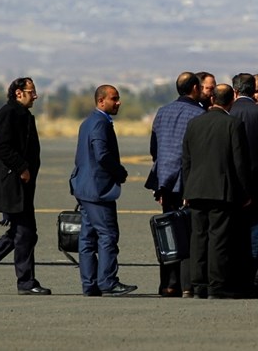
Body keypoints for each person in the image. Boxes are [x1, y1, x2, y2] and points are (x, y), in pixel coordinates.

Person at [182, 84, 252, 299]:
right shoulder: (233, 124)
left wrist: (186, 189)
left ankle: (197, 284)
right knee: (218, 239)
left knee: (198, 238)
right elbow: (239, 161)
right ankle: (216, 285)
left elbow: (186, 160)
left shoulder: (194, 123)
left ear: (212, 99)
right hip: (221, 191)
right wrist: (245, 192)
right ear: (231, 100)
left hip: (195, 189)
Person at [70, 85, 137, 297]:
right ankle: (108, 281)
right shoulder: (100, 124)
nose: (118, 102)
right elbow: (102, 155)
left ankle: (90, 284)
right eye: (114, 99)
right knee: (107, 234)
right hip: (97, 190)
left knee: (87, 238)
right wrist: (119, 172)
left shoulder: (88, 122)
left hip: (84, 188)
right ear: (101, 101)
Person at [0, 77, 51, 295]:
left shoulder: (23, 115)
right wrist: (22, 167)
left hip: (23, 186)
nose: (35, 96)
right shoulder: (9, 114)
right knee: (25, 233)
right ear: (18, 93)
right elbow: (0, 147)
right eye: (31, 92)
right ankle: (26, 282)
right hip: (12, 186)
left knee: (22, 233)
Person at [146, 72, 205, 297]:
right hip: (186, 183)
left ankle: (168, 284)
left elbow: (155, 148)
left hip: (164, 183)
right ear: (193, 89)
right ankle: (186, 284)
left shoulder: (162, 112)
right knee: (189, 235)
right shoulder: (198, 114)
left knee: (167, 234)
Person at [228, 73, 258, 293]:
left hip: (230, 187)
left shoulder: (227, 113)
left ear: (235, 91)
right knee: (257, 235)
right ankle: (254, 280)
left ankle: (235, 279)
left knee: (232, 234)